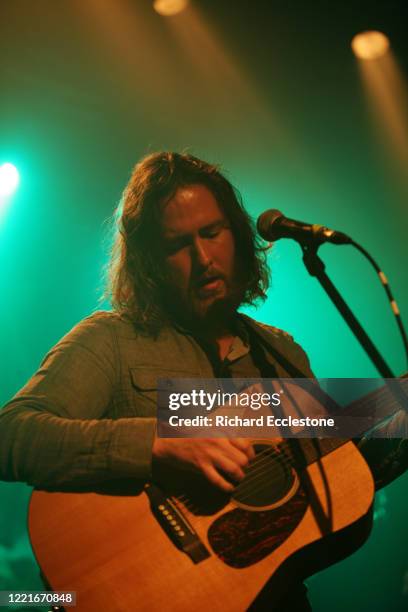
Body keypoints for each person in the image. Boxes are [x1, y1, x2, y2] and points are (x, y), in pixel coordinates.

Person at [0, 152, 406, 611]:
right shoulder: (111, 339)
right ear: (150, 262)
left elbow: (335, 477)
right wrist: (156, 444)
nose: (202, 258)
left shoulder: (283, 355)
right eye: (177, 244)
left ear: (237, 234)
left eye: (212, 233)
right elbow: (11, 434)